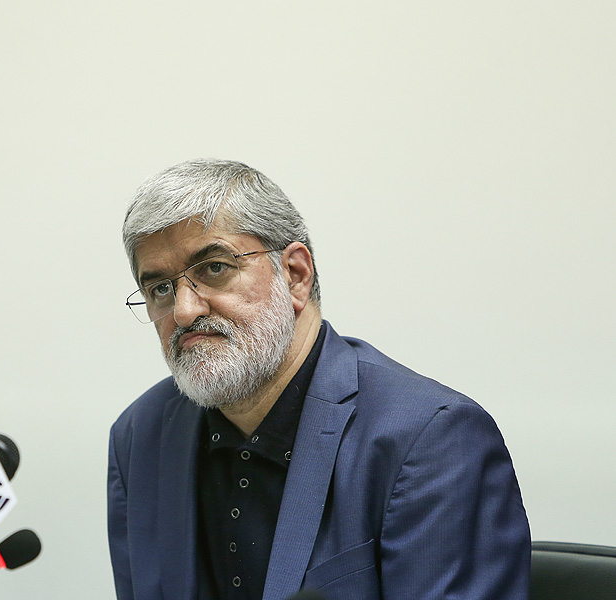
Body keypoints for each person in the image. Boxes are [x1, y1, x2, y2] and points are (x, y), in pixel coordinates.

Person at [107, 159, 530, 600]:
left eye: (214, 268)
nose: (183, 311)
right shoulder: (141, 435)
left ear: (295, 275)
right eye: (160, 289)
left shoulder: (429, 439)